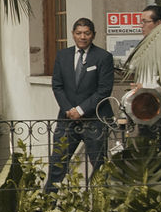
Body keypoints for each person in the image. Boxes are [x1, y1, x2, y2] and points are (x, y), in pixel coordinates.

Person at [47, 17, 115, 189]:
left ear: (93, 35)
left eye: (87, 33)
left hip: (95, 120)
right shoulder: (63, 55)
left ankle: (101, 208)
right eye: (79, 33)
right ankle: (47, 206)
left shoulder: (104, 57)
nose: (82, 37)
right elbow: (57, 85)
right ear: (73, 34)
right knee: (57, 163)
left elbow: (104, 89)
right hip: (67, 119)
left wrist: (81, 109)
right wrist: (69, 109)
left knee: (100, 165)